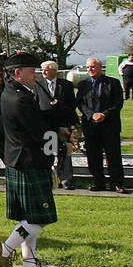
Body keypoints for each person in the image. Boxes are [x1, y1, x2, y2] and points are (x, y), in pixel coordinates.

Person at [0, 51, 59, 267]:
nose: (35, 76)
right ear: (17, 74)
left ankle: (29, 265)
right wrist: (58, 141)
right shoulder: (20, 98)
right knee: (37, 220)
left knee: (29, 217)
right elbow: (39, 132)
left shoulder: (12, 92)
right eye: (31, 72)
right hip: (29, 161)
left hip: (20, 160)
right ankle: (3, 252)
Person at [75, 58, 126, 193]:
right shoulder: (83, 84)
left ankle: (117, 184)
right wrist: (91, 115)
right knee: (93, 156)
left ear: (100, 67)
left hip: (109, 125)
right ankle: (98, 182)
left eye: (93, 67)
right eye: (88, 67)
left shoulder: (113, 83)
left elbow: (118, 103)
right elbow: (80, 103)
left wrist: (104, 115)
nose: (90, 69)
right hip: (91, 126)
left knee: (113, 155)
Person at [36, 61, 77, 190]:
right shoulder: (38, 85)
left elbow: (72, 105)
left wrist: (60, 106)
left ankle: (65, 179)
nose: (43, 72)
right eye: (42, 70)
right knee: (49, 151)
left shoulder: (66, 85)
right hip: (46, 124)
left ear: (54, 70)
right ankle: (50, 178)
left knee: (64, 152)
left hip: (62, 123)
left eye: (46, 70)